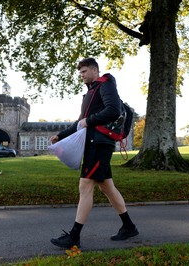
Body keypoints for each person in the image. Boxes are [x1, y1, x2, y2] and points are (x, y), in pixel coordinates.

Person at [49, 57, 138, 249]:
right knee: (107, 187)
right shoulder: (92, 92)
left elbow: (113, 110)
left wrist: (88, 121)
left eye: (84, 72)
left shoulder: (105, 85)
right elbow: (80, 121)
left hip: (99, 144)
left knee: (85, 186)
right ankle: (129, 227)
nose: (81, 76)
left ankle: (74, 236)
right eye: (80, 72)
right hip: (95, 143)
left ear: (94, 70)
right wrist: (61, 135)